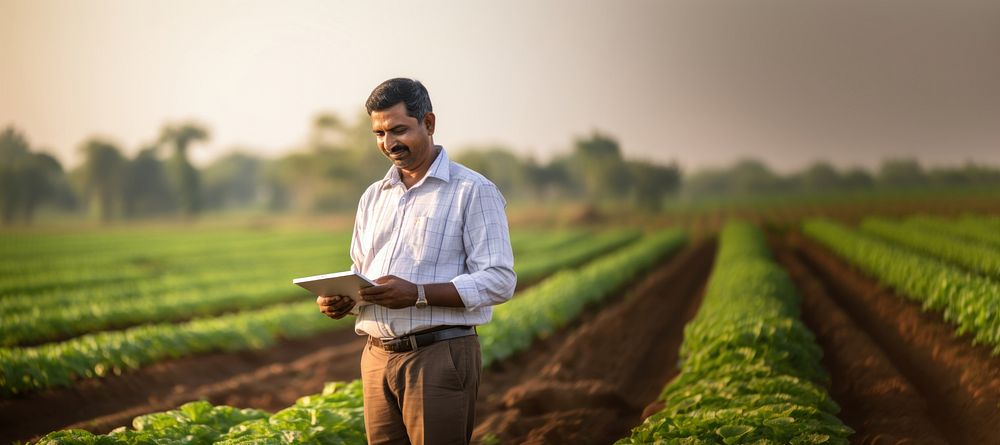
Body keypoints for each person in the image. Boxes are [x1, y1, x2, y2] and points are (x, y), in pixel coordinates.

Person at [316, 78, 516, 445]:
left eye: (398, 130)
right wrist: (343, 300)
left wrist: (419, 293)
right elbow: (363, 275)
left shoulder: (472, 191)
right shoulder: (374, 196)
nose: (389, 143)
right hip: (376, 357)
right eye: (379, 133)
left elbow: (499, 280)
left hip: (438, 355)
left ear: (428, 123)